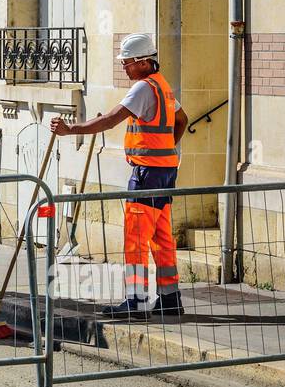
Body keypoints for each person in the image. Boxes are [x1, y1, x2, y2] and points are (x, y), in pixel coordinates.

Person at [50, 33, 188, 318]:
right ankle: (170, 298)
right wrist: (166, 148)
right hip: (165, 171)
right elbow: (182, 120)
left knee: (135, 238)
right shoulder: (163, 86)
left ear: (142, 62)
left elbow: (110, 119)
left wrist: (70, 129)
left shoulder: (142, 89)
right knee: (161, 236)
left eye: (126, 63)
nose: (124, 68)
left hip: (147, 173)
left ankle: (135, 302)